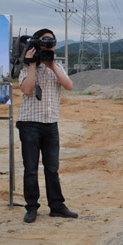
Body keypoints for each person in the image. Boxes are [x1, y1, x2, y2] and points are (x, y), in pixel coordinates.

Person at [16, 28, 78, 223]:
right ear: (36, 43)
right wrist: (33, 65)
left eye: (50, 41)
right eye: (44, 41)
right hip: (29, 124)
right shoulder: (26, 67)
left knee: (52, 168)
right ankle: (32, 207)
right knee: (31, 168)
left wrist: (51, 66)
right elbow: (26, 90)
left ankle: (57, 206)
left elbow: (69, 86)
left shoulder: (57, 66)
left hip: (51, 124)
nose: (47, 44)